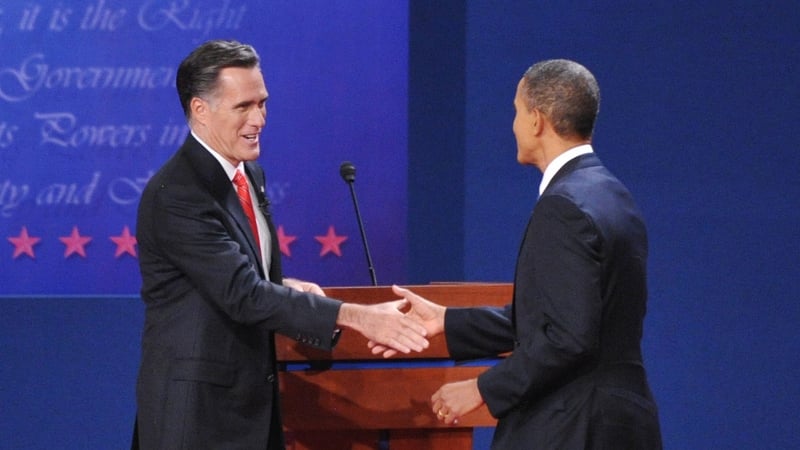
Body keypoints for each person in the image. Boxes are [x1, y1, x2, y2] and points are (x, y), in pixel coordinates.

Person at [132, 39, 429, 449]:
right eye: (243, 107)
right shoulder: (179, 193)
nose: (260, 118)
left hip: (250, 408)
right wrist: (360, 317)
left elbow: (225, 278)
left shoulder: (249, 175)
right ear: (200, 110)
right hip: (197, 420)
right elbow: (242, 294)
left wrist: (284, 285)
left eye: (263, 103)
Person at [374, 59, 662, 448]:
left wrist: (482, 388)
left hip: (574, 427)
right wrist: (447, 321)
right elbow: (562, 318)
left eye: (516, 111)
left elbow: (567, 338)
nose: (512, 125)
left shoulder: (564, 206)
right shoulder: (614, 196)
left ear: (537, 120)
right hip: (620, 422)